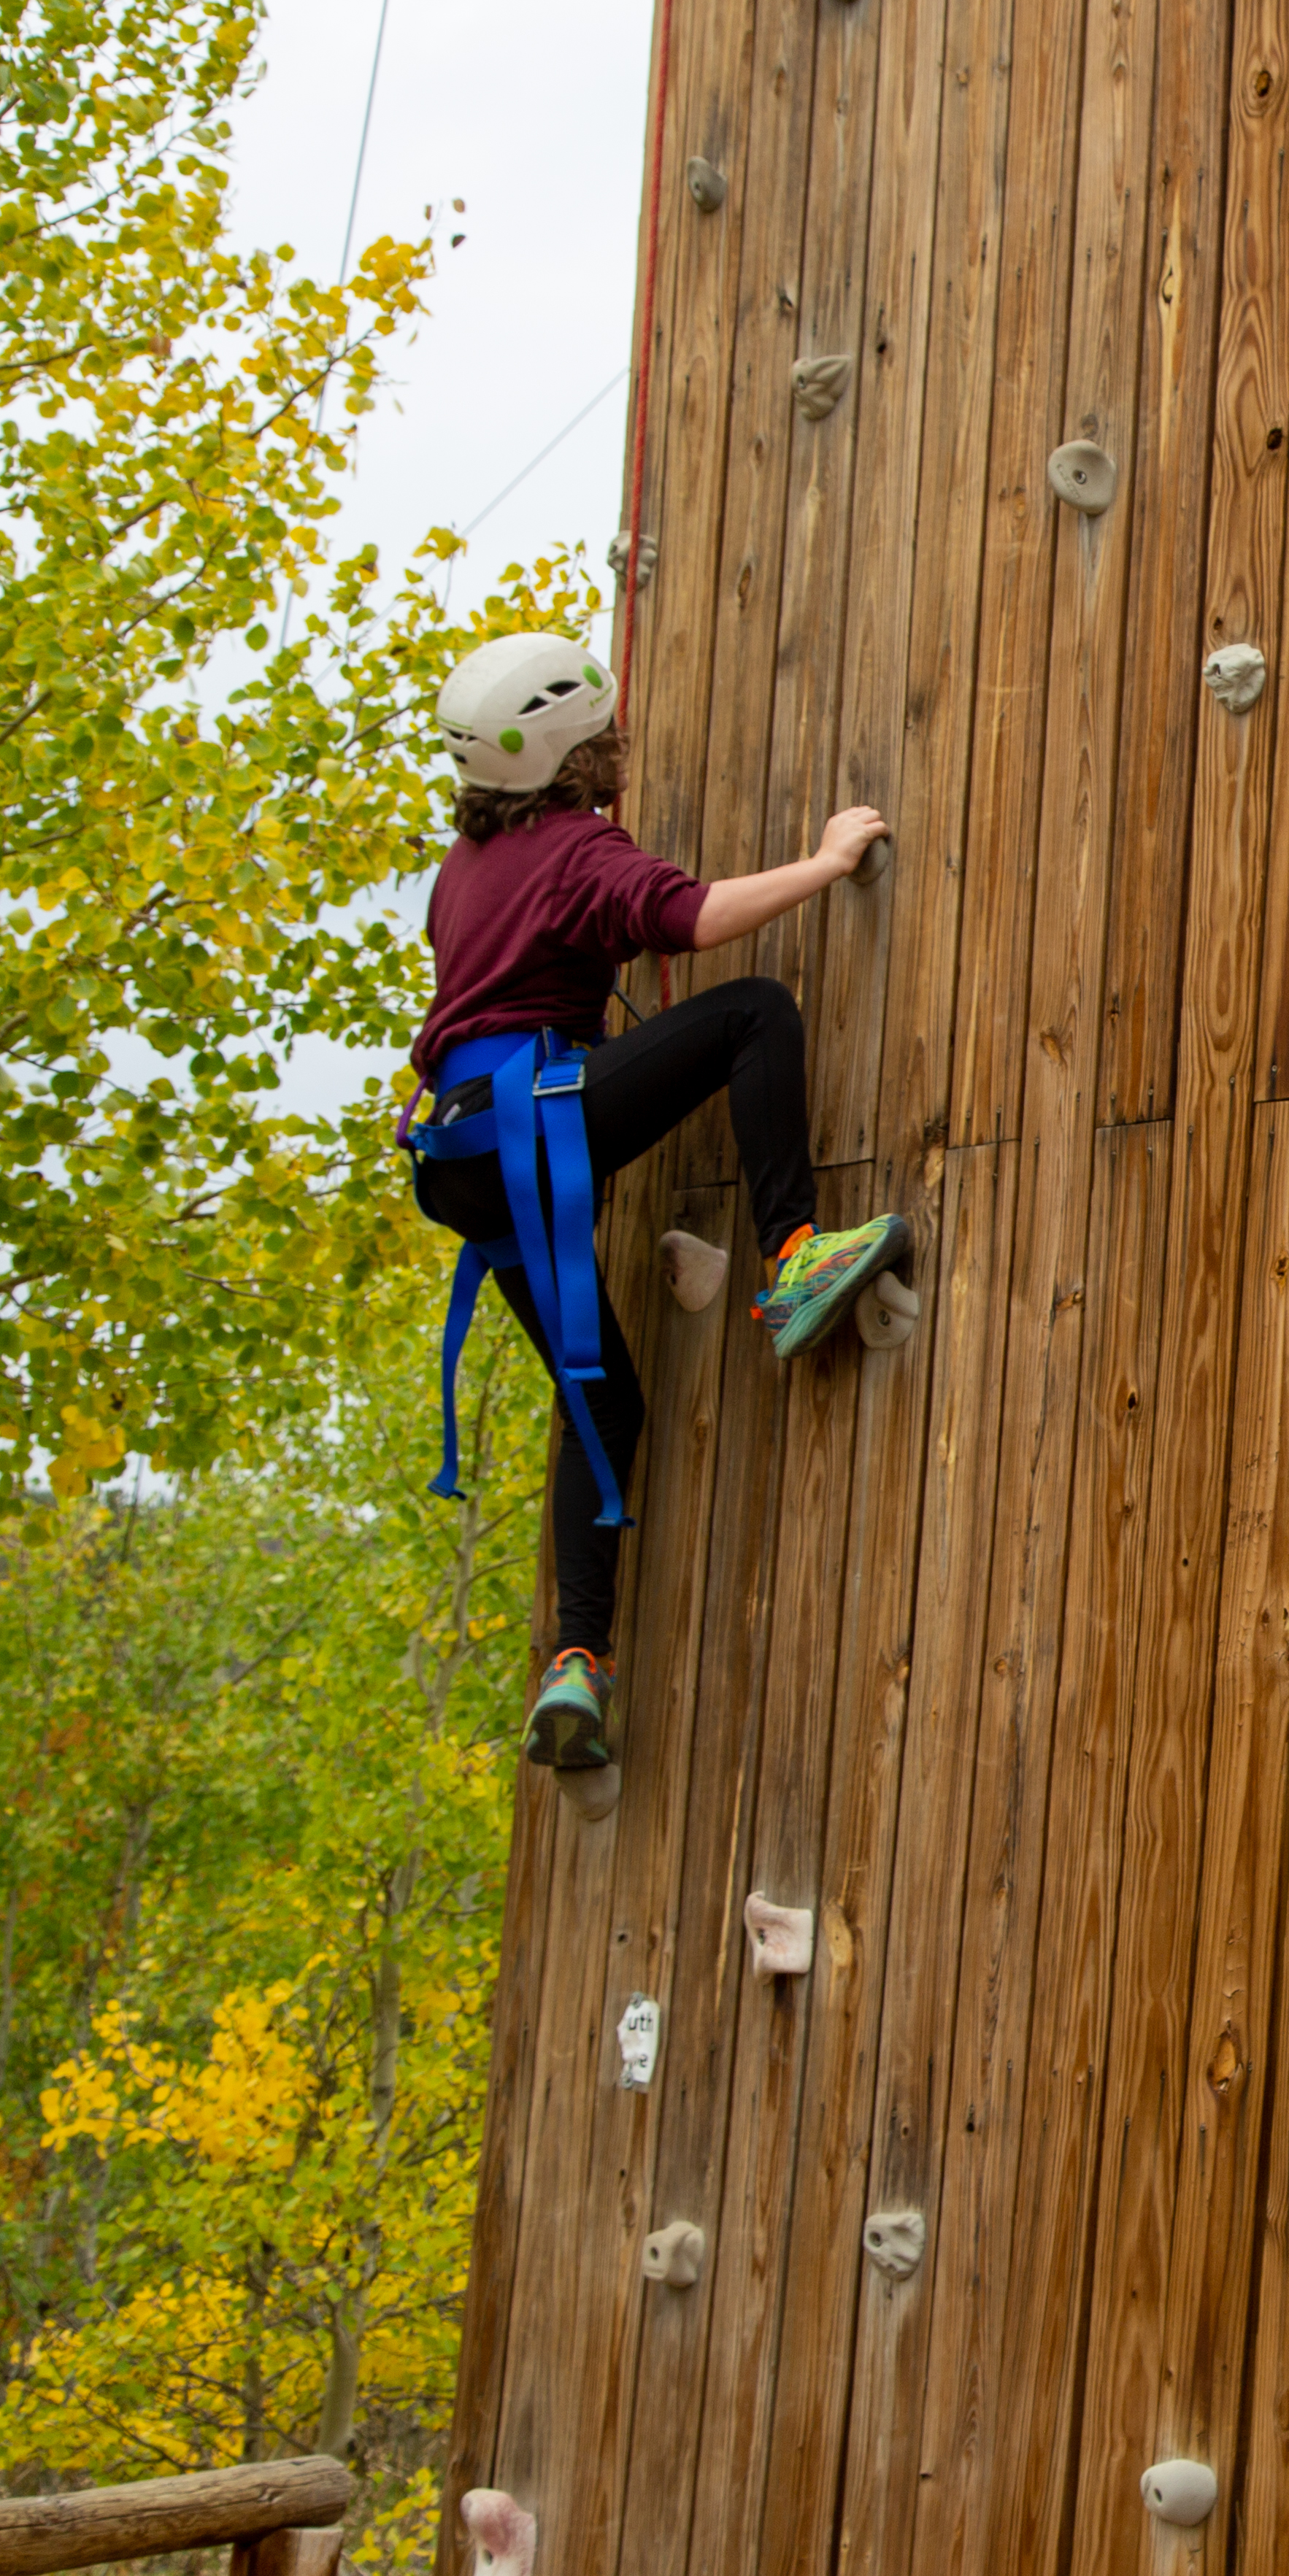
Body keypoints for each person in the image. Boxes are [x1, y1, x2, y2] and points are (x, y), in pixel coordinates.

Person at [401, 631, 911, 1770]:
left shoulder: (462, 869)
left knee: (602, 1405)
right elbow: (694, 918)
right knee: (754, 1012)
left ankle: (576, 1663)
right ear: (587, 748)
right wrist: (830, 863)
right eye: (609, 730)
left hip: (462, 1157)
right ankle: (791, 1259)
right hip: (535, 1120)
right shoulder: (580, 850)